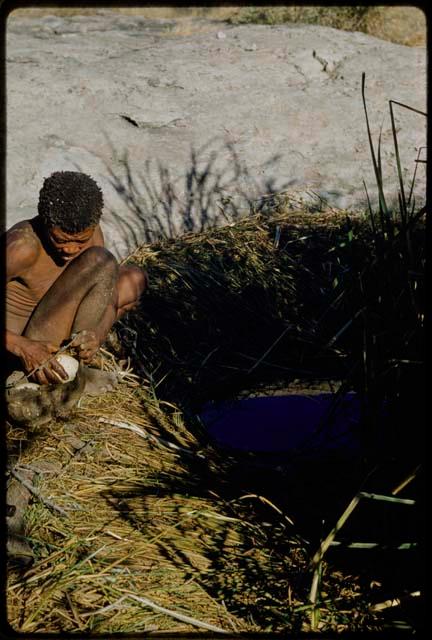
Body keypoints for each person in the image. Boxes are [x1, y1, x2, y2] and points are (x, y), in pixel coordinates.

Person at [4, 171, 148, 385]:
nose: (70, 249)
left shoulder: (92, 233)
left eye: (80, 241)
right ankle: (32, 382)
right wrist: (22, 346)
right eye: (59, 239)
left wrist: (96, 336)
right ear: (44, 222)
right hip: (23, 346)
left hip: (59, 335)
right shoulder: (21, 247)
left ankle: (75, 365)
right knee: (100, 260)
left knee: (133, 279)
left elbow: (105, 291)